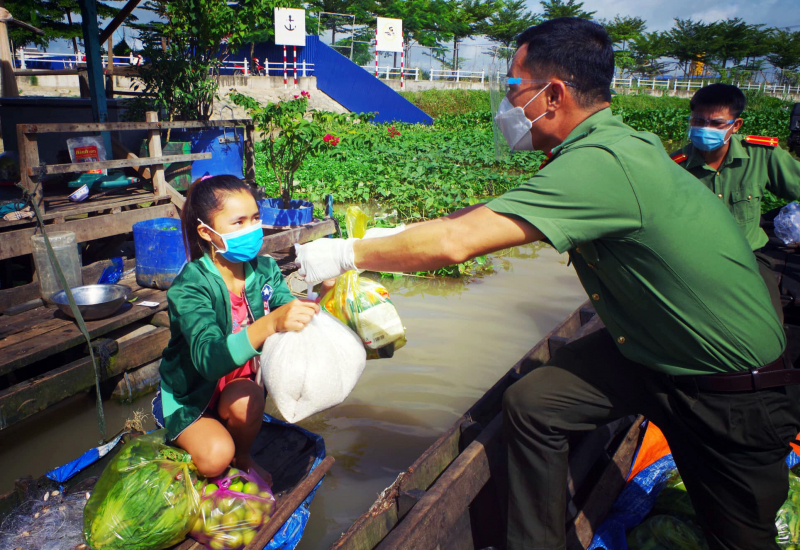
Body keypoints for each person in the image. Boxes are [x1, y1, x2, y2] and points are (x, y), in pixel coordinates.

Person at [294, 18, 800, 550]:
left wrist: (339, 253)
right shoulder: (617, 142)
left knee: (740, 537)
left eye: (513, 87)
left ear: (552, 94)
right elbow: (485, 216)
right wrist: (393, 234)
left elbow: (455, 244)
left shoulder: (601, 165)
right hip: (653, 352)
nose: (507, 103)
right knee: (537, 402)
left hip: (727, 385)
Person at [152, 175, 321, 479]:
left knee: (249, 401)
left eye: (255, 218)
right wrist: (270, 324)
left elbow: (285, 308)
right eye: (239, 222)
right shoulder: (190, 285)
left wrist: (320, 302)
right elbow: (208, 359)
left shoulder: (266, 269)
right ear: (207, 232)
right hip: (191, 395)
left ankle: (243, 458)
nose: (252, 229)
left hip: (237, 387)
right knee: (216, 458)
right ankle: (182, 440)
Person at [671, 83, 800, 321]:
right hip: (696, 261)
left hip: (750, 258)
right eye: (698, 121)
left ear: (735, 125)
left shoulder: (761, 155)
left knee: (768, 324)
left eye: (716, 123)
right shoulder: (674, 166)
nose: (705, 128)